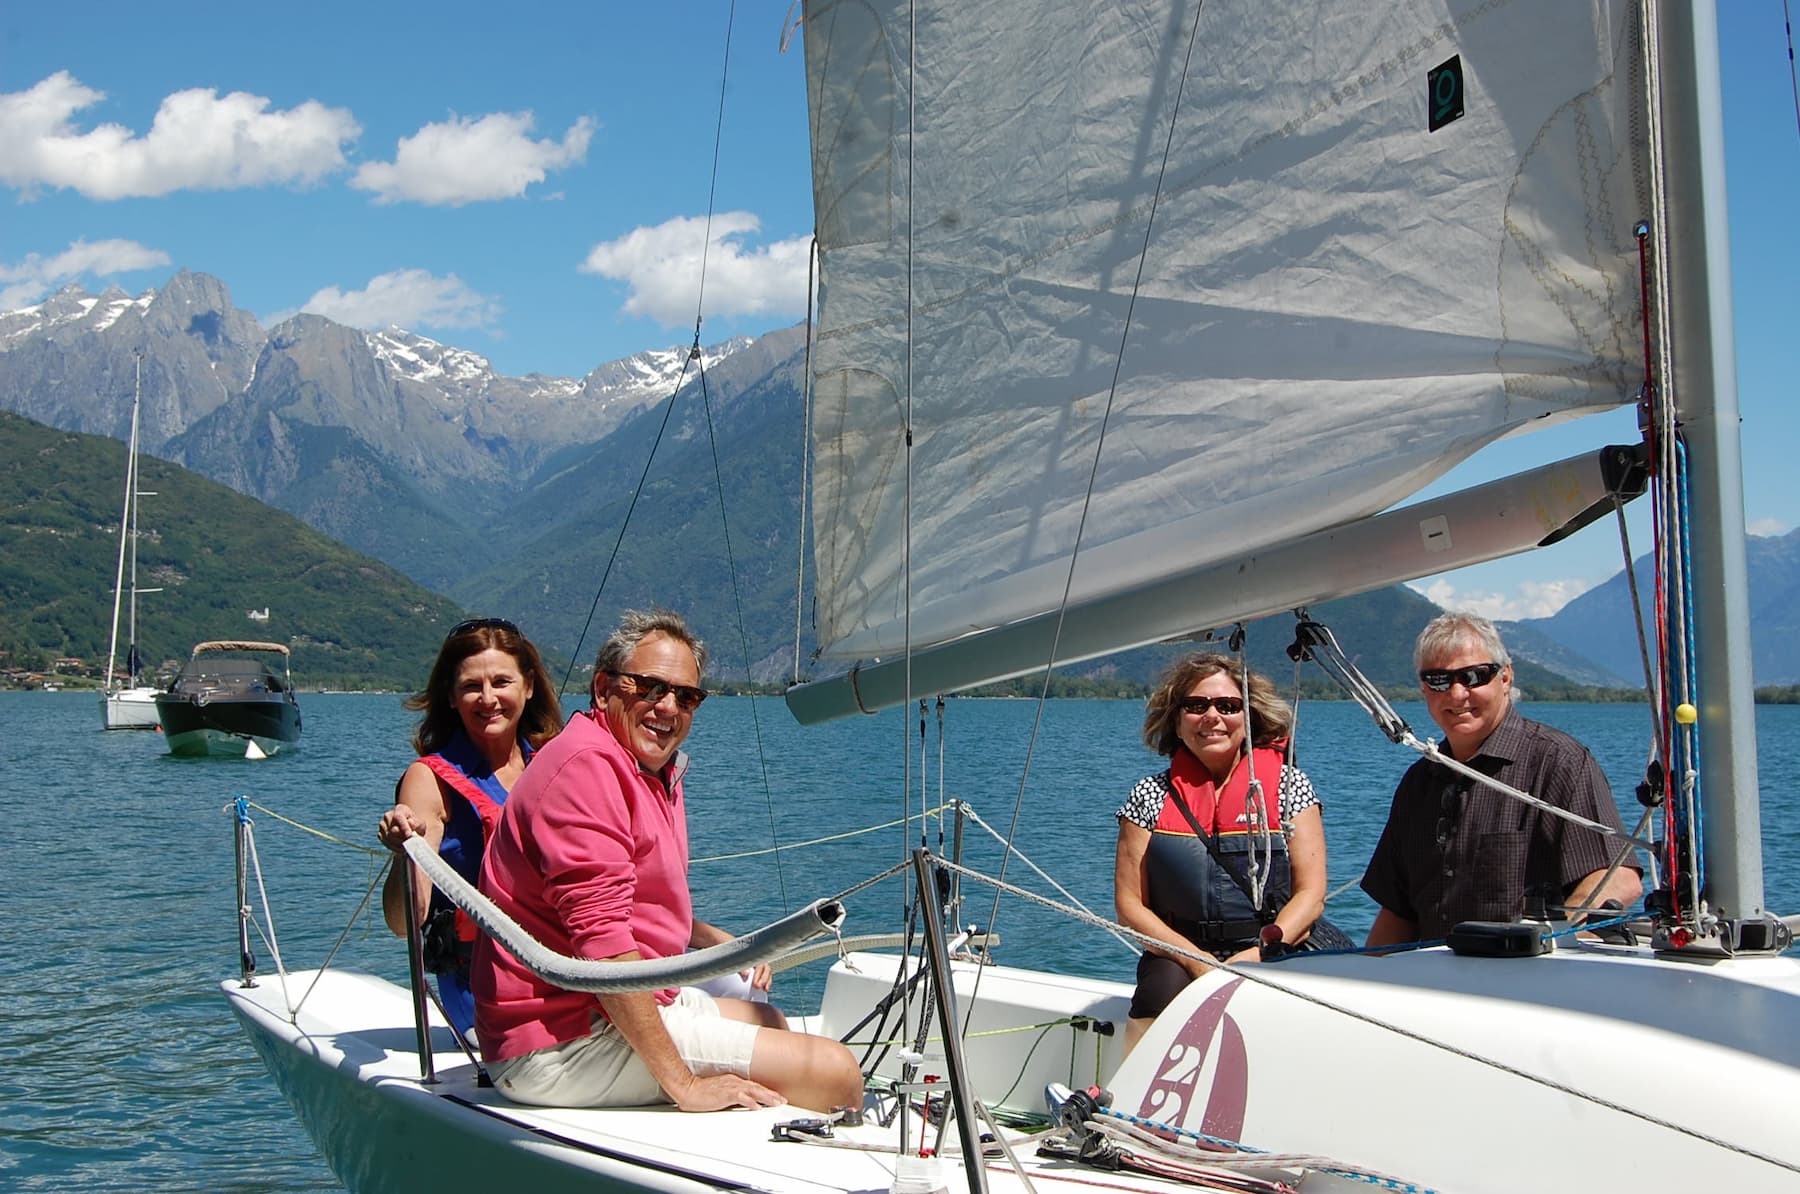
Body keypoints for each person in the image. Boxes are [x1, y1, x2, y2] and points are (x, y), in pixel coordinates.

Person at [471, 609, 864, 1113]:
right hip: (561, 1043)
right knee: (833, 1072)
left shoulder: (646, 768)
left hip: (617, 1006)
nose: (668, 706)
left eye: (687, 696)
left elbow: (628, 903)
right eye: (650, 687)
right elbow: (605, 952)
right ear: (603, 688)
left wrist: (708, 936)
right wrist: (687, 1085)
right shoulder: (586, 771)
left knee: (769, 1023)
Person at [1360, 612, 1644, 948]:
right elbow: (1398, 912)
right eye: (1439, 680)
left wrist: (1547, 946)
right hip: (1432, 987)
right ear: (1424, 688)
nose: (1456, 694)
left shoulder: (1558, 762)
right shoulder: (1419, 783)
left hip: (1521, 986)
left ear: (1505, 677)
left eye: (1474, 676)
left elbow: (1618, 880)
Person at [1114, 652, 1336, 1054]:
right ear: (1176, 721)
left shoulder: (1291, 787)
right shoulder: (1147, 797)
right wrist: (1198, 961)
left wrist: (1258, 952)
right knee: (1157, 991)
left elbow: (1311, 895)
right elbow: (1130, 906)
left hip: (1273, 945)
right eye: (1196, 706)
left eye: (1228, 706)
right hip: (1180, 953)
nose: (1212, 716)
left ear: (1248, 717)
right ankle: (1135, 1109)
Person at [375, 616, 564, 1038]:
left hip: (566, 976)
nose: (488, 698)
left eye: (501, 682)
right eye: (471, 686)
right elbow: (405, 923)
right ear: (450, 696)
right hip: (487, 999)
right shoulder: (430, 780)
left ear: (528, 686)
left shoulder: (556, 767)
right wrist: (403, 853)